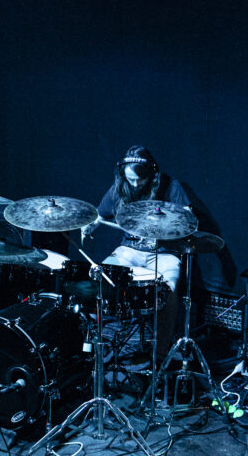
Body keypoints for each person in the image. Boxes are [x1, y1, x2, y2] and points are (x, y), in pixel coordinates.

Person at [81, 145, 192, 355]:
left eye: (139, 180)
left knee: (168, 290)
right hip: (129, 250)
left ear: (151, 173)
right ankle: (96, 344)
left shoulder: (171, 186)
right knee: (100, 278)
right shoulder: (120, 187)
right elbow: (99, 216)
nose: (134, 184)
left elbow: (187, 217)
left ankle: (161, 352)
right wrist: (88, 227)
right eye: (130, 179)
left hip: (164, 252)